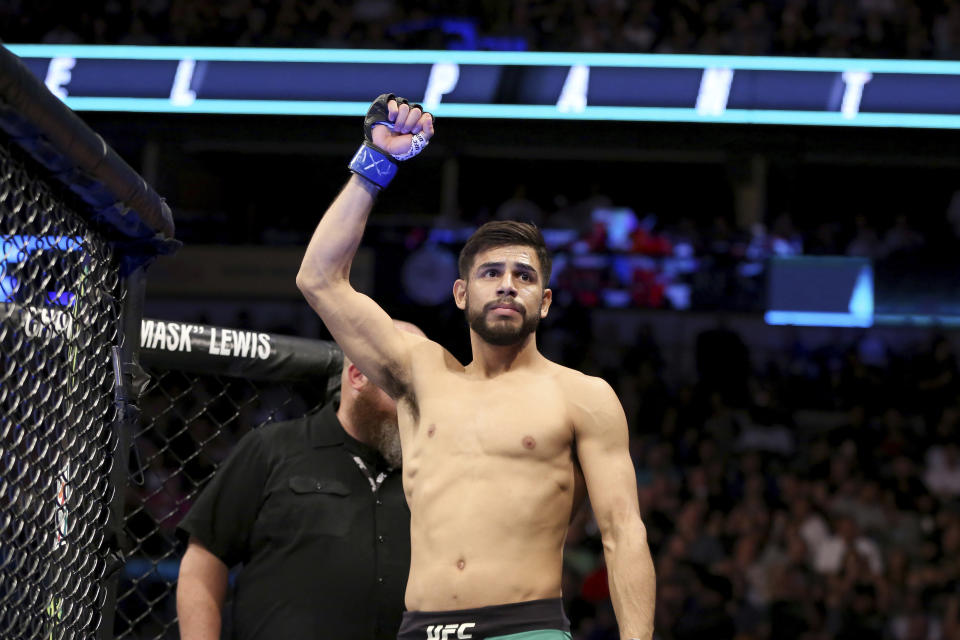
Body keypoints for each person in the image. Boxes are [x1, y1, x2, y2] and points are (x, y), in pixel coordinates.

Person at [296, 94, 655, 640]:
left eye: (524, 276)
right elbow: (319, 279)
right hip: (420, 629)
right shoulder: (421, 375)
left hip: (525, 628)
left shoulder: (582, 396)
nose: (508, 283)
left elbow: (624, 533)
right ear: (461, 293)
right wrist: (376, 164)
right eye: (492, 273)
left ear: (546, 300)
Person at [175, 320, 425, 640]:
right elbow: (202, 563)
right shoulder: (272, 449)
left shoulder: (430, 471)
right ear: (358, 376)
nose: (416, 401)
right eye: (403, 387)